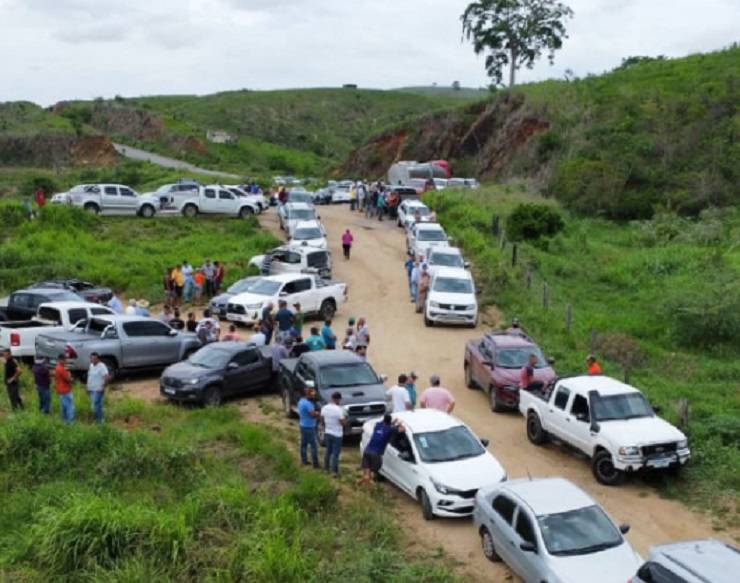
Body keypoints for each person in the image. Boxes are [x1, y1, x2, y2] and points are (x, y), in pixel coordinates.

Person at [359, 414, 405, 486]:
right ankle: (369, 482)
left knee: (367, 469)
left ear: (383, 420)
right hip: (376, 454)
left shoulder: (378, 425)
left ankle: (366, 481)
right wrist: (400, 424)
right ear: (390, 422)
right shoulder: (390, 430)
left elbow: (386, 424)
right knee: (376, 468)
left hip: (367, 450)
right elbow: (402, 429)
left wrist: (393, 423)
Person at [321, 391, 347, 476]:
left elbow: (322, 419)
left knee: (328, 451)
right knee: (336, 453)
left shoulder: (324, 408)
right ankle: (334, 472)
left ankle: (325, 469)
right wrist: (346, 420)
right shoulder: (339, 410)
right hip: (337, 434)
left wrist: (325, 427)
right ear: (338, 399)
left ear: (332, 398)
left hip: (328, 432)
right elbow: (343, 423)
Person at [298, 388, 320, 468]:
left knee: (303, 444)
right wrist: (318, 413)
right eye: (312, 395)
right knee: (313, 446)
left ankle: (304, 460)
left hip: (302, 425)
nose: (313, 397)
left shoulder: (300, 401)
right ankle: (315, 463)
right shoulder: (308, 404)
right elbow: (312, 414)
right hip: (309, 426)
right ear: (308, 395)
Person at [87, 352, 111, 424]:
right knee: (94, 406)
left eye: (94, 359)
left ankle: (100, 421)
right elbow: (90, 376)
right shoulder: (91, 365)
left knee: (96, 405)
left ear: (97, 359)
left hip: (98, 390)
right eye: (91, 358)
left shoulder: (102, 366)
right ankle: (98, 420)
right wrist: (87, 386)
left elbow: (106, 377)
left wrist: (103, 387)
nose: (92, 360)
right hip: (91, 389)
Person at [54, 353, 75, 423]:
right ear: (61, 360)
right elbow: (68, 379)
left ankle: (64, 422)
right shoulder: (61, 369)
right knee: (69, 407)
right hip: (66, 390)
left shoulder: (57, 367)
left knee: (63, 407)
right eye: (65, 359)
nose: (66, 361)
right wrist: (71, 377)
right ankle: (71, 422)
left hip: (60, 390)